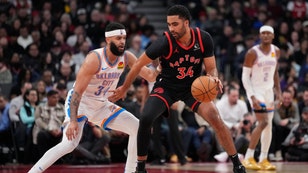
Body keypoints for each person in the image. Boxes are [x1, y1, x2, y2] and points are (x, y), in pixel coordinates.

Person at [110, 5, 245, 173]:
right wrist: (124, 88)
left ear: (186, 23)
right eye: (169, 24)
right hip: (167, 87)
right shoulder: (164, 42)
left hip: (193, 88)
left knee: (215, 118)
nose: (171, 28)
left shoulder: (203, 39)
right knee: (145, 118)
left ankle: (237, 164)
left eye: (175, 24)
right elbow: (137, 64)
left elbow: (211, 68)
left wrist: (213, 77)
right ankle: (141, 168)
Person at [27, 22, 158, 173]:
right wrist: (73, 121)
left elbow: (150, 76)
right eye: (118, 38)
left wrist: (160, 65)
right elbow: (77, 92)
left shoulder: (127, 57)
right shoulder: (94, 58)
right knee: (69, 144)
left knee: (137, 128)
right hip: (81, 102)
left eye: (123, 38)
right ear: (108, 40)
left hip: (101, 104)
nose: (122, 41)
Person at [241, 25, 282, 171]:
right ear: (259, 35)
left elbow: (275, 72)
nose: (265, 35)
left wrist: (279, 92)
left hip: (268, 92)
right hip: (256, 91)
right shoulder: (252, 52)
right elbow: (245, 77)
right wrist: (252, 96)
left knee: (269, 126)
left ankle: (263, 159)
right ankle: (248, 157)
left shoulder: (276, 51)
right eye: (263, 33)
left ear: (272, 36)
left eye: (268, 33)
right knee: (263, 122)